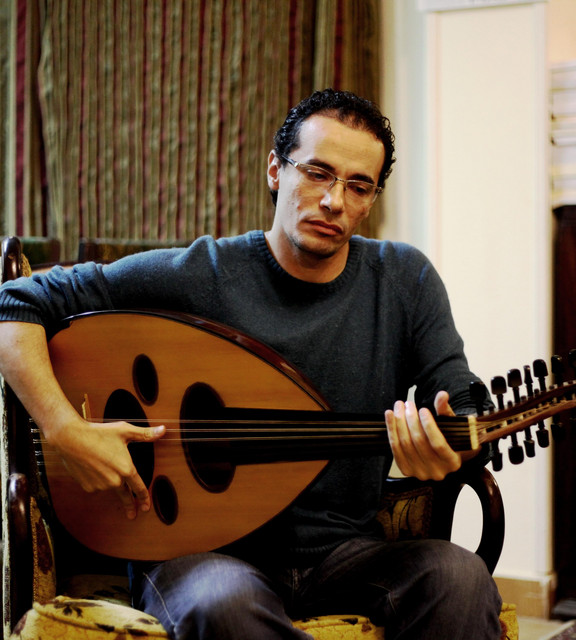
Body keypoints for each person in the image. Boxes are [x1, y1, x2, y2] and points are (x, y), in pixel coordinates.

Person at [0, 89, 502, 639]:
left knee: (460, 577)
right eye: (317, 172)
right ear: (275, 170)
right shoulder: (206, 274)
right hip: (201, 554)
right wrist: (63, 427)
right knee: (224, 604)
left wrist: (456, 445)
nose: (333, 200)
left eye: (358, 186)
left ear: (371, 199)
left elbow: (462, 400)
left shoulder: (404, 280)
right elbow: (15, 303)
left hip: (344, 553)